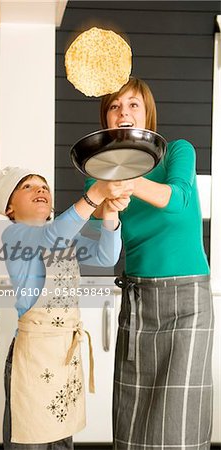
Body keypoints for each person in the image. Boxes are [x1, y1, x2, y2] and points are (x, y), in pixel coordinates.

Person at [85, 77, 214, 450]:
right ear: (106, 118)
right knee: (133, 420)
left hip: (188, 305)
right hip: (139, 301)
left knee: (180, 424)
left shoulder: (178, 152)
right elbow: (104, 254)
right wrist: (108, 209)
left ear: (147, 115)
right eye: (114, 106)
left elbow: (178, 199)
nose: (123, 113)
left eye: (133, 105)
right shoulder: (98, 174)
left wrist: (127, 180)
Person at [0, 166, 134, 450]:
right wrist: (95, 195)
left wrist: (111, 211)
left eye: (44, 186)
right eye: (27, 187)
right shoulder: (16, 236)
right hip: (34, 355)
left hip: (65, 354)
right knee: (31, 439)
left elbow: (105, 255)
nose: (40, 190)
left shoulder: (65, 238)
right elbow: (50, 237)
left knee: (62, 438)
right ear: (9, 208)